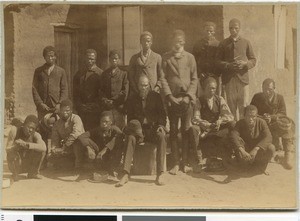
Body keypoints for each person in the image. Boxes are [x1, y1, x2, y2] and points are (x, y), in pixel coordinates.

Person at [116, 76, 167, 187]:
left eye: (145, 85)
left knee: (161, 136)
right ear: (138, 86)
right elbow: (130, 119)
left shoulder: (156, 96)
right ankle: (125, 173)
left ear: (149, 86)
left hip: (152, 129)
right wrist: (136, 128)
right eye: (141, 85)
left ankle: (160, 173)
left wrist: (161, 126)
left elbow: (162, 114)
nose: (143, 88)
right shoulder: (133, 98)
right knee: (130, 138)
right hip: (139, 131)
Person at [160, 29, 198, 175]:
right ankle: (175, 163)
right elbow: (162, 78)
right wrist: (169, 96)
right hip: (173, 100)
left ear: (184, 42)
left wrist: (189, 96)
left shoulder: (190, 57)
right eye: (176, 41)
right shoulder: (166, 58)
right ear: (172, 42)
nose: (179, 44)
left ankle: (185, 163)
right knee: (174, 131)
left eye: (181, 41)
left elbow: (194, 78)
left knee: (187, 130)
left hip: (186, 99)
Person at [190, 77, 234, 171]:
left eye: (214, 88)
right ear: (204, 88)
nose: (212, 91)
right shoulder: (199, 101)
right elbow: (195, 118)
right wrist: (204, 123)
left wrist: (220, 121)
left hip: (216, 128)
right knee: (194, 128)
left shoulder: (219, 99)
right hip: (204, 129)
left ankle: (229, 155)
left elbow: (229, 115)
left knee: (232, 124)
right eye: (209, 88)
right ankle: (199, 158)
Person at [216, 18, 256, 120]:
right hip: (229, 81)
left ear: (239, 28)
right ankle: (233, 132)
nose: (233, 30)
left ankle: (243, 132)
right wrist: (228, 65)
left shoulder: (246, 42)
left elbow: (253, 60)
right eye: (231, 28)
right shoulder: (223, 43)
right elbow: (217, 61)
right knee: (230, 107)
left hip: (242, 80)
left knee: (243, 106)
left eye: (236, 28)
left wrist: (245, 64)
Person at [250, 78, 295, 169]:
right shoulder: (257, 97)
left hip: (274, 125)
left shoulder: (279, 98)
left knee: (287, 123)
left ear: (274, 88)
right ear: (262, 88)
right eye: (265, 89)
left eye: (270, 89)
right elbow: (251, 110)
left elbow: (283, 113)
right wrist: (262, 118)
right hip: (261, 124)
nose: (267, 92)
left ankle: (287, 155)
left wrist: (272, 117)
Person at [77, 111, 124, 182]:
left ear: (111, 122)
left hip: (112, 155)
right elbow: (81, 136)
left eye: (106, 122)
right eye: (102, 122)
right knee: (84, 140)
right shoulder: (98, 129)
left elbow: (121, 136)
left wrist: (105, 149)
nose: (104, 124)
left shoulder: (115, 129)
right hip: (100, 155)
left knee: (118, 139)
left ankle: (113, 170)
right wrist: (89, 148)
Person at [229, 105, 275, 175]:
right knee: (244, 168)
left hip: (258, 151)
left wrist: (256, 149)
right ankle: (246, 165)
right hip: (245, 152)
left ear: (256, 116)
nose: (251, 119)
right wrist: (241, 150)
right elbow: (233, 136)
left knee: (271, 148)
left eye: (253, 116)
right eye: (248, 116)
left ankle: (261, 167)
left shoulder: (262, 122)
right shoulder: (240, 123)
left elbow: (268, 137)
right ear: (244, 116)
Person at [6, 115, 46, 181]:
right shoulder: (15, 130)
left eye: (33, 128)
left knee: (41, 151)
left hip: (28, 163)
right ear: (24, 125)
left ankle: (33, 173)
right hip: (17, 163)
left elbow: (44, 148)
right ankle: (15, 174)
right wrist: (15, 146)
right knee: (11, 152)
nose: (30, 130)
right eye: (29, 127)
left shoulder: (36, 135)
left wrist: (27, 145)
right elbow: (7, 149)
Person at [32, 46, 68, 120]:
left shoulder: (61, 71)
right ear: (44, 57)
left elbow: (64, 90)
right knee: (43, 125)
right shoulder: (38, 71)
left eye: (52, 56)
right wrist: (40, 103)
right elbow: (34, 88)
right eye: (48, 56)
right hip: (43, 107)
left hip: (56, 106)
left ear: (55, 57)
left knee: (58, 126)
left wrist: (59, 104)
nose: (50, 58)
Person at [49, 99, 85, 170]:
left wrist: (64, 147)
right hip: (67, 148)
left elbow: (75, 134)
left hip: (80, 146)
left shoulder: (76, 118)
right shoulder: (57, 124)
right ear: (60, 111)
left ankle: (78, 165)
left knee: (77, 141)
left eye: (67, 110)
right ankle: (69, 163)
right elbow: (54, 139)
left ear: (71, 110)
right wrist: (54, 149)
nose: (65, 112)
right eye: (63, 110)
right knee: (50, 157)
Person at [73, 49, 103, 131]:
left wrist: (94, 105)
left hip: (95, 111)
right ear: (84, 59)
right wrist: (79, 105)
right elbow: (75, 93)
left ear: (95, 59)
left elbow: (102, 93)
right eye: (88, 58)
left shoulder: (101, 73)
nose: (90, 61)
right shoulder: (79, 74)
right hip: (82, 110)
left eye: (92, 59)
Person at [99, 50, 129, 130]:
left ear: (119, 60)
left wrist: (114, 101)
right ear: (109, 59)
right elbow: (101, 91)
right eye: (112, 59)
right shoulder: (104, 74)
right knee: (108, 128)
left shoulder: (123, 74)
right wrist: (105, 100)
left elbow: (125, 91)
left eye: (116, 58)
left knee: (119, 129)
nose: (114, 60)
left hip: (119, 107)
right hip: (107, 107)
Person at [128, 31, 162, 95]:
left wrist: (157, 87)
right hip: (138, 91)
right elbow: (131, 76)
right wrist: (135, 89)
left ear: (151, 42)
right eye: (144, 41)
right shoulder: (134, 58)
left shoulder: (157, 57)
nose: (146, 43)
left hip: (153, 90)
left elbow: (161, 75)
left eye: (148, 41)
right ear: (141, 42)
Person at [193, 21, 221, 93]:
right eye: (207, 31)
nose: (209, 33)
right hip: (202, 75)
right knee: (202, 95)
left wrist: (216, 73)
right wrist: (199, 73)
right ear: (203, 31)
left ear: (214, 32)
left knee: (215, 95)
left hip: (215, 75)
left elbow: (220, 61)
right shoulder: (198, 44)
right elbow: (194, 61)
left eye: (211, 31)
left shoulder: (218, 44)